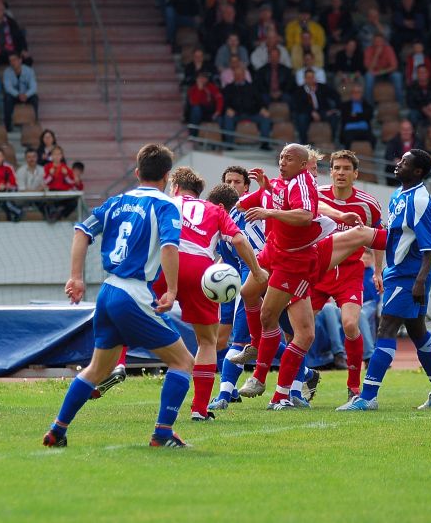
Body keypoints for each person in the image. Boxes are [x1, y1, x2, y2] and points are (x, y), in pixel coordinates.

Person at [42, 144, 196, 448]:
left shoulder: (115, 202)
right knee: (183, 361)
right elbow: (169, 247)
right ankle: (163, 433)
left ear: (137, 173)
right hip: (134, 293)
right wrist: (172, 290)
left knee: (98, 369)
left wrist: (76, 277)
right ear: (167, 176)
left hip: (108, 290)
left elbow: (81, 231)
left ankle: (57, 430)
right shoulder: (165, 206)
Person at [338, 149, 431, 411]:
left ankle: (367, 397)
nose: (397, 164)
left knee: (386, 329)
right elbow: (399, 235)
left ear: (417, 171)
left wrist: (419, 281)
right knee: (416, 330)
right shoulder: (398, 195)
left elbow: (429, 248)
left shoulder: (420, 199)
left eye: (404, 162)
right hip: (399, 270)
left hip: (409, 273)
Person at [152, 169, 267, 421]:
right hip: (200, 271)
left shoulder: (166, 202)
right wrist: (257, 272)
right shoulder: (214, 210)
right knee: (207, 342)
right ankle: (199, 409)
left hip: (164, 264)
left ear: (175, 187)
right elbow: (239, 240)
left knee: (130, 311)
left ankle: (117, 363)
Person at [236, 144, 327, 409]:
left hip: (295, 261)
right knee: (248, 292)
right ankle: (258, 350)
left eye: (289, 158)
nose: (282, 162)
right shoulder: (282, 183)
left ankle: (263, 379)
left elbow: (306, 215)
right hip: (274, 251)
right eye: (281, 157)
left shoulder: (304, 183)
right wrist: (265, 187)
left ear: (303, 165)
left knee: (271, 317)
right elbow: (261, 200)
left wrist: (270, 212)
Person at [312, 150, 383, 402]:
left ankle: (353, 386)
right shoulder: (316, 196)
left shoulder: (368, 204)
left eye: (346, 168)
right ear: (330, 171)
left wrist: (377, 271)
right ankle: (298, 383)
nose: (340, 173)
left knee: (351, 324)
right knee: (298, 329)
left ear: (356, 174)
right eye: (336, 168)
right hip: (318, 272)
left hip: (350, 273)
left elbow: (377, 238)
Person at [43, 145, 81, 222]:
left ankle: (60, 216)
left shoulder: (66, 168)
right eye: (55, 154)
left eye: (59, 154)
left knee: (73, 203)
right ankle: (54, 215)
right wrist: (50, 175)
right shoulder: (47, 167)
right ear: (51, 156)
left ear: (62, 156)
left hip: (64, 193)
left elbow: (71, 183)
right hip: (52, 193)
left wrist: (66, 175)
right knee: (45, 203)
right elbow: (45, 182)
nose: (57, 156)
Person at [3, 52, 38, 132]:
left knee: (35, 98)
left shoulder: (29, 70)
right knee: (7, 98)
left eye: (14, 60)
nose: (12, 62)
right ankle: (8, 126)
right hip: (15, 96)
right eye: (10, 61)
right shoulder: (7, 72)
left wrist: (26, 95)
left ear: (20, 60)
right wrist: (18, 95)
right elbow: (8, 87)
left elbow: (34, 87)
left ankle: (34, 123)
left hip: (26, 96)